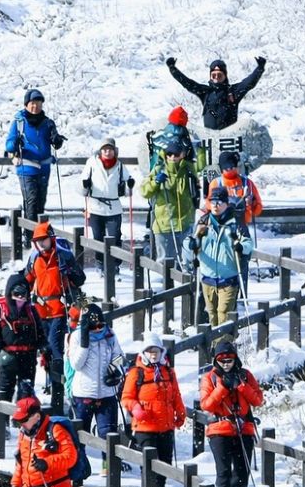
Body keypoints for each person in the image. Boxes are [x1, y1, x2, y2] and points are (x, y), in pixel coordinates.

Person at [24, 221, 86, 414]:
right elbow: (26, 279)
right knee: (44, 349)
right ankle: (49, 381)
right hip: (40, 309)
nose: (41, 244)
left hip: (59, 309)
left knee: (54, 346)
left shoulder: (63, 256)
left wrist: (69, 271)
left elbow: (80, 279)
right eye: (37, 241)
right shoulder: (34, 258)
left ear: (50, 239)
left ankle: (58, 393)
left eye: (43, 240)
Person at [199, 340, 264, 487]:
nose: (226, 364)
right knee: (224, 473)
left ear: (236, 359)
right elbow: (206, 405)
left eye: (230, 360)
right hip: (220, 429)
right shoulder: (210, 378)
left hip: (243, 429)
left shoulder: (245, 375)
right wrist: (222, 388)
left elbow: (258, 400)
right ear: (216, 361)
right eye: (222, 361)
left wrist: (241, 387)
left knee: (243, 473)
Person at [120, 332, 185, 487]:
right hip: (145, 427)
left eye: (156, 350)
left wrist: (181, 412)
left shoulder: (169, 372)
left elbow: (176, 395)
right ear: (144, 353)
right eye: (149, 351)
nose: (153, 354)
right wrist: (135, 408)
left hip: (166, 425)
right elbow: (126, 397)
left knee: (164, 462)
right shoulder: (136, 373)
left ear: (162, 352)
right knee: (149, 463)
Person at [67, 303, 126, 474]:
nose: (98, 329)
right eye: (95, 327)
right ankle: (81, 468)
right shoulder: (77, 337)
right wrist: (85, 344)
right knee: (81, 434)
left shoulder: (109, 335)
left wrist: (114, 370)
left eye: (101, 325)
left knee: (108, 433)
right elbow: (76, 364)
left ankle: (108, 469)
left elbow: (119, 356)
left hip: (107, 393)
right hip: (84, 393)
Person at [184, 186, 254, 328]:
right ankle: (216, 347)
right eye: (212, 202)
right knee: (212, 314)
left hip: (228, 277)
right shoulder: (203, 222)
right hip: (207, 277)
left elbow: (248, 243)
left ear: (226, 204)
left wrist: (240, 247)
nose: (215, 205)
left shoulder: (235, 223)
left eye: (219, 202)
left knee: (224, 314)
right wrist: (191, 244)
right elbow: (189, 241)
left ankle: (223, 347)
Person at [5, 89, 65, 227]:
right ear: (26, 104)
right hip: (26, 166)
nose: (35, 106)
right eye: (32, 103)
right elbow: (9, 143)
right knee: (31, 201)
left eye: (38, 103)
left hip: (44, 167)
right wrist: (14, 144)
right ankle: (30, 236)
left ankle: (39, 235)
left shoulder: (48, 123)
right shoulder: (19, 122)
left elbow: (55, 143)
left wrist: (57, 140)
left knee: (41, 202)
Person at [0, 273, 45, 403]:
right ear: (10, 293)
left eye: (24, 294)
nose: (21, 298)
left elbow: (40, 333)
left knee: (26, 393)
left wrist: (45, 348)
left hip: (27, 357)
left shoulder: (32, 311)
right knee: (5, 393)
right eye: (17, 294)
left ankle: (22, 421)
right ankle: (3, 422)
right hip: (7, 357)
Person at [203, 150, 263, 280]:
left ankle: (242, 292)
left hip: (241, 226)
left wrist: (251, 203)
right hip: (221, 227)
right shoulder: (216, 183)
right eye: (226, 168)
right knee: (223, 259)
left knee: (242, 258)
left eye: (232, 167)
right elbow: (208, 204)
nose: (229, 170)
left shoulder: (247, 183)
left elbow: (258, 209)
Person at [165, 56, 266, 131]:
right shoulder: (205, 92)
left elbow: (248, 83)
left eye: (219, 75)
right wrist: (173, 69)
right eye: (213, 75)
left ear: (225, 76)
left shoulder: (233, 91)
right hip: (210, 138)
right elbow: (188, 83)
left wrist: (259, 68)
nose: (216, 77)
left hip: (229, 137)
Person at [141, 137, 198, 267]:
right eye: (169, 154)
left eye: (176, 154)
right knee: (164, 264)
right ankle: (166, 287)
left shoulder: (188, 170)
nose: (172, 157)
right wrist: (155, 182)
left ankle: (186, 286)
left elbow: (197, 188)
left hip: (185, 223)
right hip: (164, 224)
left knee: (186, 262)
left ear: (182, 154)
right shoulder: (158, 169)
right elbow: (145, 192)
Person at [80, 138, 133, 273]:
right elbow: (82, 185)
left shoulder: (120, 166)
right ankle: (100, 262)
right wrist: (84, 185)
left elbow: (127, 187)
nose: (107, 152)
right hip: (95, 206)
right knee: (98, 237)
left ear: (114, 151)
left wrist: (130, 185)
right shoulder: (92, 163)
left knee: (115, 236)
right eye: (105, 149)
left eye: (110, 149)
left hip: (113, 207)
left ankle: (115, 263)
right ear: (100, 150)